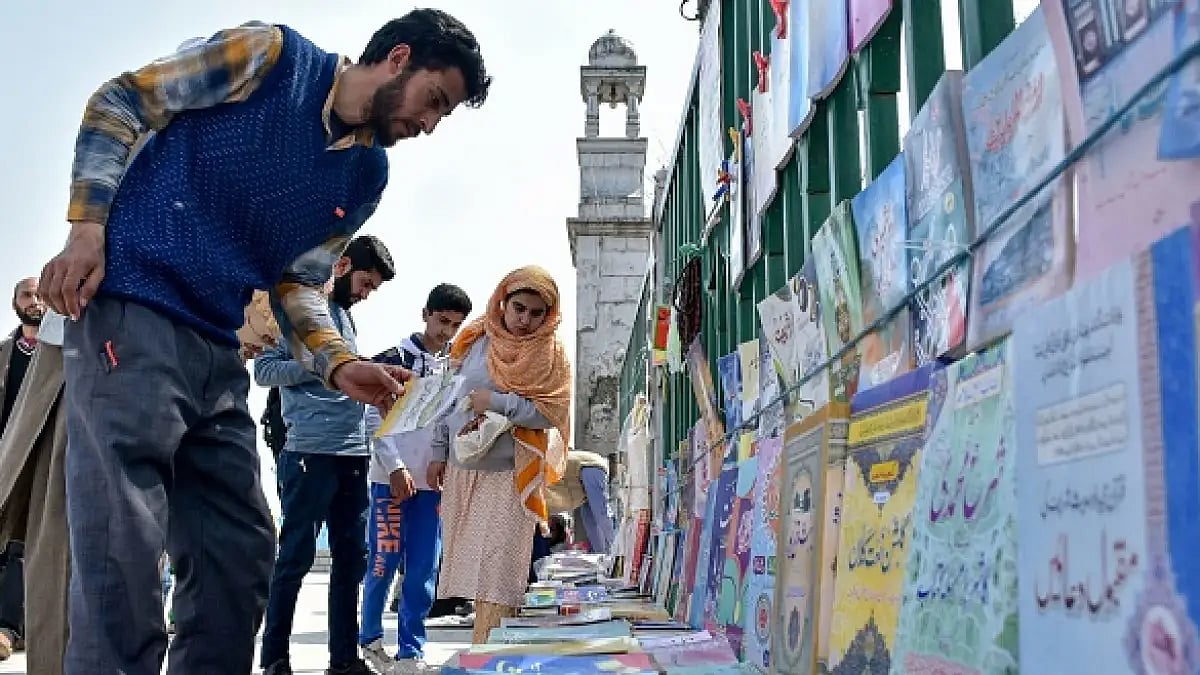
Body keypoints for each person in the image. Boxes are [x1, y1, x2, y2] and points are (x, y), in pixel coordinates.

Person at [36, 9, 490, 673]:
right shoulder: (273, 59)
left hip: (215, 345)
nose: (427, 125)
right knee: (122, 552)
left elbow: (298, 282)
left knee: (240, 550)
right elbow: (124, 99)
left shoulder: (365, 178)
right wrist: (86, 228)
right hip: (132, 311)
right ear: (398, 59)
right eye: (433, 101)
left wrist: (339, 364)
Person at [0, 299, 278, 675]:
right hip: (110, 336)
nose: (273, 341)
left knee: (233, 551)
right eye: (271, 325)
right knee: (94, 560)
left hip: (200, 342)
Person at [257, 236, 396, 675]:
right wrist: (325, 365)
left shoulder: (345, 320)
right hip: (308, 453)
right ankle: (275, 658)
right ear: (343, 266)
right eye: (365, 282)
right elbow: (264, 371)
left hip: (353, 453)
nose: (366, 293)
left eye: (373, 288)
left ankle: (343, 660)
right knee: (294, 558)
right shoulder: (296, 311)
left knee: (351, 560)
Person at [427, 266, 572, 644]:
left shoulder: (550, 353)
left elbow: (549, 413)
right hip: (463, 469)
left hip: (511, 473)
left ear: (549, 315)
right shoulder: (475, 339)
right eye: (518, 308)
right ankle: (487, 651)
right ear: (502, 302)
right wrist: (439, 452)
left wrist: (498, 402)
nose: (524, 320)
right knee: (472, 573)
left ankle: (487, 655)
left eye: (536, 313)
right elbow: (448, 399)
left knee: (499, 574)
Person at [360, 283, 472, 674]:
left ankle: (411, 651)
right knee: (382, 562)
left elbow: (444, 420)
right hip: (389, 480)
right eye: (442, 321)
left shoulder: (451, 368)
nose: (447, 332)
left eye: (456, 325)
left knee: (423, 568)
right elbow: (372, 417)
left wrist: (440, 458)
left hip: (430, 484)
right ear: (425, 314)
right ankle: (370, 642)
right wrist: (394, 467)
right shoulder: (392, 359)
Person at [543, 450, 615, 553]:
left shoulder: (586, 486)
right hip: (535, 490)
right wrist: (618, 549)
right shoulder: (598, 467)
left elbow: (591, 521)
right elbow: (601, 513)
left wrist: (601, 554)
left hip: (539, 500)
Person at [1, 278, 44, 433]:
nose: (34, 301)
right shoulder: (3, 352)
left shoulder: (66, 350)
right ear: (14, 304)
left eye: (39, 296)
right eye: (27, 295)